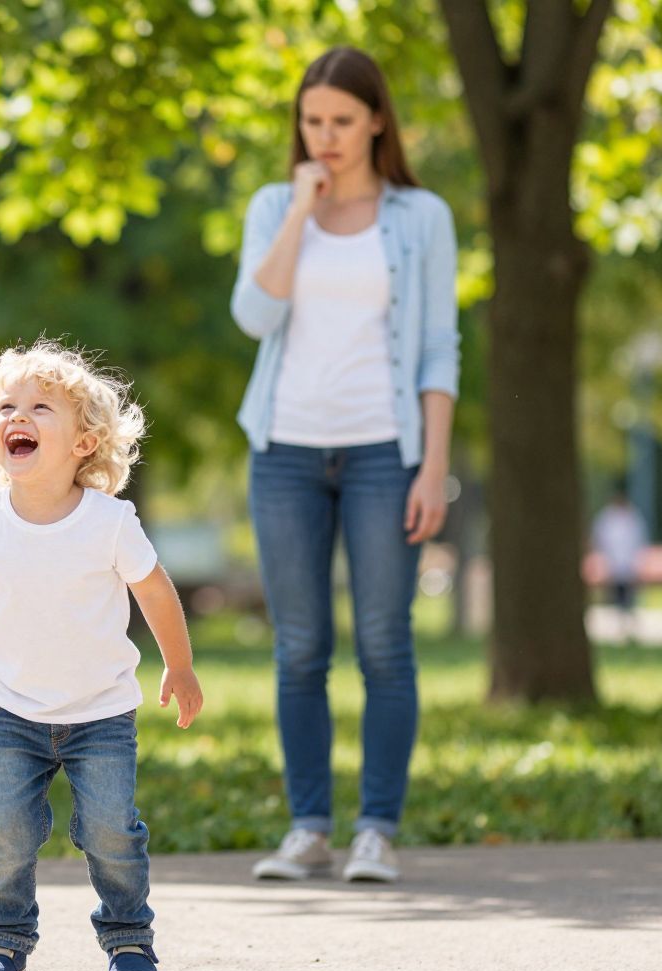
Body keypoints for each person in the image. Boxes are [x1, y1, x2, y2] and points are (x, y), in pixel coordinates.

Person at [229, 47, 459, 884]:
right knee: (299, 648)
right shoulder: (271, 205)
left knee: (386, 645)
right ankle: (308, 828)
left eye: (340, 122)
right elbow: (255, 314)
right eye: (311, 121)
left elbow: (439, 347)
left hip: (381, 454)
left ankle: (377, 831)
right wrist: (299, 212)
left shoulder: (421, 217)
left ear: (376, 123)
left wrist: (432, 466)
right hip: (284, 450)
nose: (323, 137)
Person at [0, 340, 204, 971]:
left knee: (109, 829)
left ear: (83, 443)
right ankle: (4, 941)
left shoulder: (108, 521)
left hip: (100, 713)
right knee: (7, 833)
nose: (19, 415)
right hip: (12, 711)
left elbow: (154, 590)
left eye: (41, 406)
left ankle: (129, 941)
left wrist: (179, 665)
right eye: (6, 406)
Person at [591, 490, 649, 640]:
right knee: (619, 594)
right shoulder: (609, 518)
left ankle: (627, 622)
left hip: (626, 564)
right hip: (616, 563)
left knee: (627, 594)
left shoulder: (630, 517)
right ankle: (623, 622)